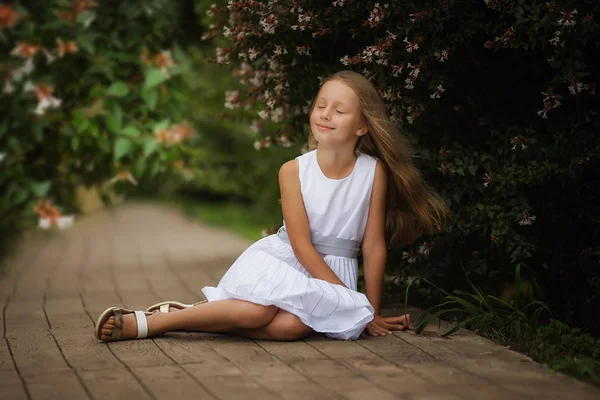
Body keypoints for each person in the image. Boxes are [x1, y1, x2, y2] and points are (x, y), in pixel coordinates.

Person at [95, 70, 450, 342]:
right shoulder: (293, 170)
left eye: (339, 110)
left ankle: (211, 316)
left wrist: (369, 310)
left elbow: (373, 245)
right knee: (259, 311)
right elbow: (300, 245)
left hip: (335, 273)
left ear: (361, 126)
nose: (325, 115)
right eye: (320, 106)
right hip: (291, 259)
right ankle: (154, 322)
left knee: (292, 327)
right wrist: (354, 304)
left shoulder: (374, 172)